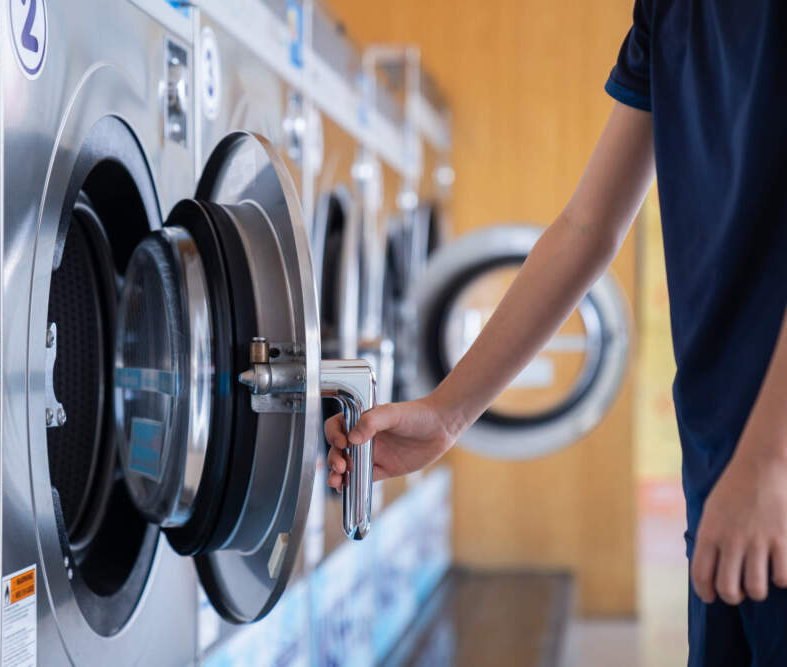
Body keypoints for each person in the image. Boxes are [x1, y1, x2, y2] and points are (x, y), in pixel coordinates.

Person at [324, 2, 787, 664]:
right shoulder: (669, 14)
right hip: (721, 458)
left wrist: (772, 462)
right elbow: (585, 228)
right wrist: (447, 412)